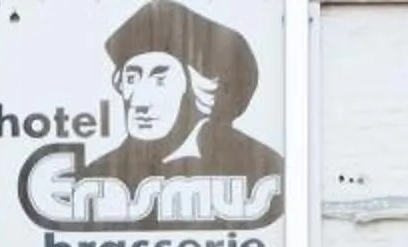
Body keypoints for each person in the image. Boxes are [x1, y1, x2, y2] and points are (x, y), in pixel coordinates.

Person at [86, 0, 284, 191]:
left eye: (159, 79)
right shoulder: (98, 177)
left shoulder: (262, 168)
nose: (139, 101)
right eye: (131, 78)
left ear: (198, 88)